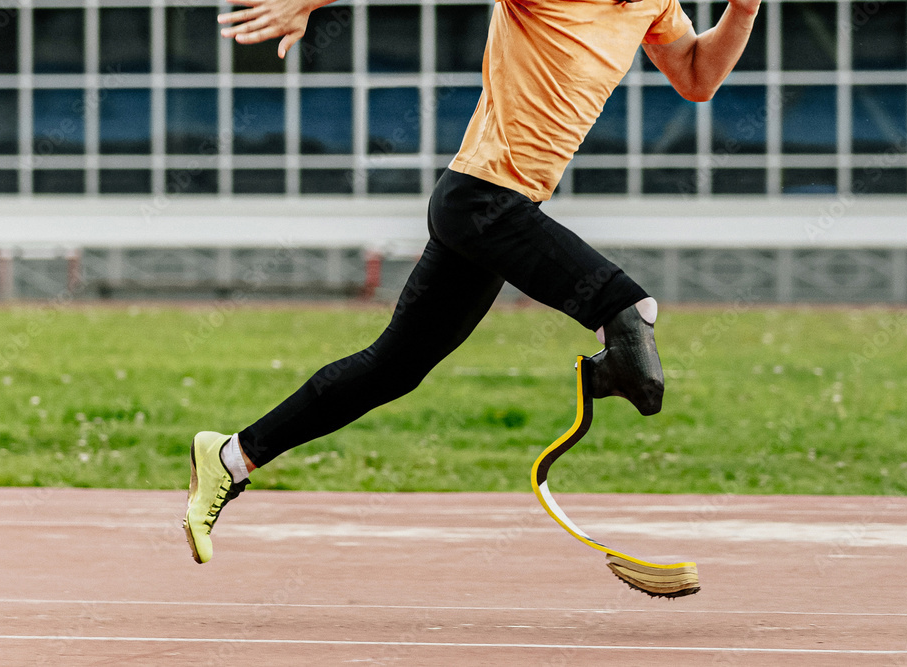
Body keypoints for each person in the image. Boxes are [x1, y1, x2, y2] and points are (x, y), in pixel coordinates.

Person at [184, 0, 761, 564]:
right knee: (628, 311)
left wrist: (744, 9)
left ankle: (229, 457)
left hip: (496, 210)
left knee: (393, 367)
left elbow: (696, 76)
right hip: (484, 198)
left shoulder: (655, 4)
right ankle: (607, 366)